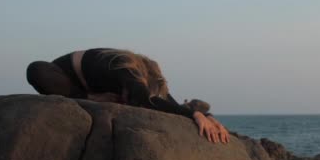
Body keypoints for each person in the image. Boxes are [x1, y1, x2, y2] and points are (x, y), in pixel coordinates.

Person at [26, 48, 229, 144]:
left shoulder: (152, 81)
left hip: (95, 94)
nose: (130, 99)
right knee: (36, 70)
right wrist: (193, 115)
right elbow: (143, 99)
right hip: (64, 79)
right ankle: (86, 96)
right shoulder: (123, 67)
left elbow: (169, 103)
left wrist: (204, 116)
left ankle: (89, 97)